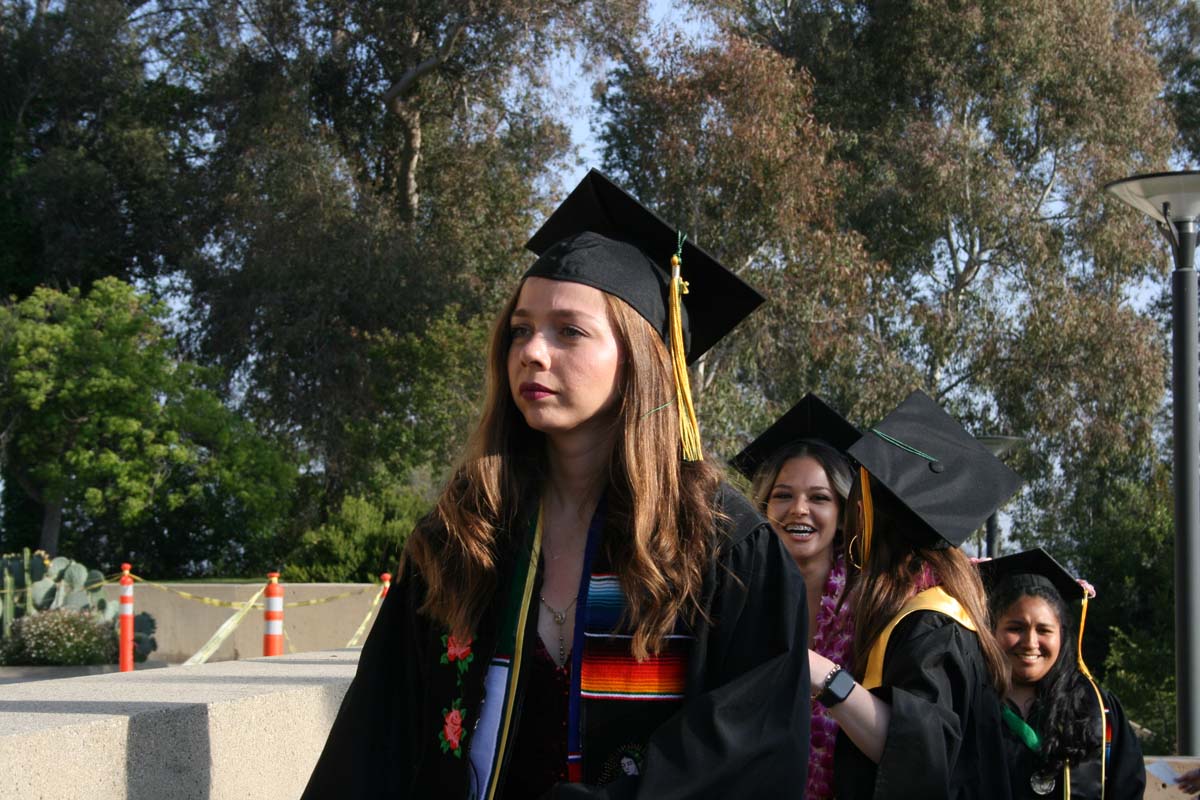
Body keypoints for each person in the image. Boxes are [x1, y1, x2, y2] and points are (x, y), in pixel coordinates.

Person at [301, 169, 811, 799]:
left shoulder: (722, 546)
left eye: (569, 331)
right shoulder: (464, 534)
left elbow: (749, 756)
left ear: (641, 359)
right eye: (520, 329)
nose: (533, 352)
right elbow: (375, 736)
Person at [805, 389, 1020, 800]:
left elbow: (921, 752)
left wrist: (825, 676)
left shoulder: (933, 620)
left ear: (873, 516)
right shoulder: (925, 610)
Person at [729, 392, 860, 800]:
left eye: (819, 498)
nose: (798, 509)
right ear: (763, 508)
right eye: (783, 496)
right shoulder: (733, 596)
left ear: (841, 514)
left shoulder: (871, 608)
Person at [979, 547, 1146, 799]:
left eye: (1044, 630)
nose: (1030, 642)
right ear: (992, 631)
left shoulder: (1097, 709)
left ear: (1062, 636)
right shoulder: (969, 704)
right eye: (1016, 628)